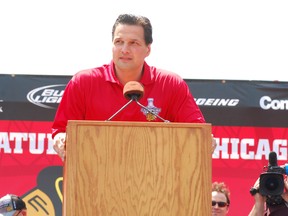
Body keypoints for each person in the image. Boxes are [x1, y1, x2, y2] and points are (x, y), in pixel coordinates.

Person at [52, 13, 215, 161]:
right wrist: (61, 139)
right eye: (119, 42)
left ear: (148, 49)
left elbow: (197, 133)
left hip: (157, 184)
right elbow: (61, 130)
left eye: (133, 43)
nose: (124, 50)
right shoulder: (83, 83)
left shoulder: (171, 85)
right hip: (93, 181)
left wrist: (207, 141)